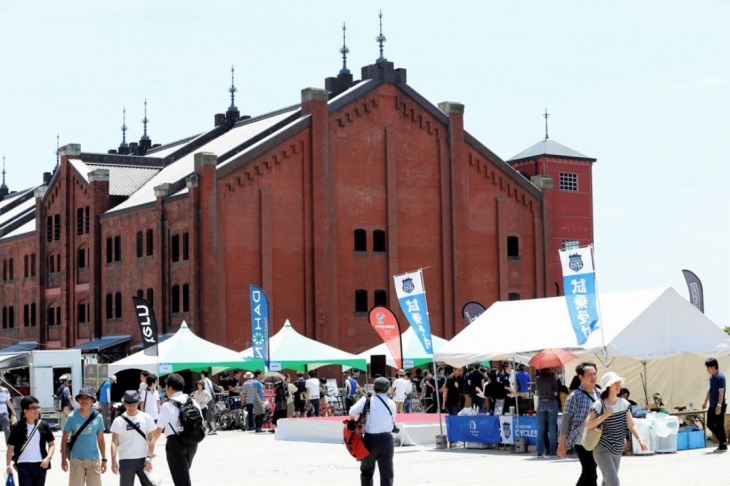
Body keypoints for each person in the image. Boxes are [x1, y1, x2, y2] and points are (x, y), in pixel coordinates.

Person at [586, 372, 647, 486]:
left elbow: (631, 425)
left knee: (607, 482)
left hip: (618, 448)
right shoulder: (599, 405)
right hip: (602, 448)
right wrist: (604, 416)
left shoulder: (624, 404)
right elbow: (588, 424)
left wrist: (640, 439)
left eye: (619, 382)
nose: (618, 385)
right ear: (608, 386)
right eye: (615, 383)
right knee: (613, 482)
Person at [151, 373, 201, 486]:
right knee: (183, 476)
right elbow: (201, 423)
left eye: (166, 387)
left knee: (181, 481)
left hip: (175, 445)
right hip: (193, 442)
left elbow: (158, 430)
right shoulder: (193, 402)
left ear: (169, 387)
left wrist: (148, 448)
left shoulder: (167, 405)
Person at [349, 377, 396, 486]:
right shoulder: (391, 403)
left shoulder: (367, 400)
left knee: (367, 471)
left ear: (374, 388)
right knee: (387, 472)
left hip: (370, 440)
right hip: (387, 439)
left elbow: (352, 412)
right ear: (388, 389)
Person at [558, 362, 599, 485]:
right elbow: (566, 420)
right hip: (580, 440)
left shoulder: (600, 394)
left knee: (587, 471)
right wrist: (562, 444)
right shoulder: (574, 396)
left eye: (594, 374)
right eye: (589, 374)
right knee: (591, 471)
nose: (593, 377)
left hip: (597, 438)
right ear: (580, 377)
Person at [61, 387, 107, 486]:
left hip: (93, 460)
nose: (84, 401)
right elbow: (64, 439)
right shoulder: (71, 417)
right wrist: (63, 459)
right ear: (78, 400)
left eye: (87, 398)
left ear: (92, 400)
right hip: (76, 460)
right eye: (81, 398)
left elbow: (101, 440)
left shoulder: (98, 417)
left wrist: (104, 459)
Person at [110, 390, 157, 486]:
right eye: (128, 405)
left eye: (134, 404)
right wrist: (113, 461)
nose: (131, 407)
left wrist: (149, 457)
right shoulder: (118, 421)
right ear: (124, 404)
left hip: (143, 458)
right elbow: (114, 442)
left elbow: (151, 439)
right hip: (126, 459)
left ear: (138, 403)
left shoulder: (146, 417)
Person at [5, 395, 54, 486]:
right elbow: (10, 447)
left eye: (38, 407)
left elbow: (51, 444)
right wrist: (8, 466)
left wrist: (48, 458)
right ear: (25, 411)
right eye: (33, 408)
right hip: (23, 464)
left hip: (41, 464)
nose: (37, 410)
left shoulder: (43, 425)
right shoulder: (17, 427)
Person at [702, 357, 727, 452]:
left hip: (719, 405)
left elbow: (721, 392)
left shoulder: (720, 377)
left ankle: (723, 444)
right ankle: (723, 439)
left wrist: (719, 405)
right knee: (709, 424)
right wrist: (705, 402)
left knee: (719, 424)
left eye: (708, 367)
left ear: (713, 367)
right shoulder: (711, 377)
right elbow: (709, 390)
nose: (707, 370)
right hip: (712, 405)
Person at [535, 368, 559, 458]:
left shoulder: (537, 379)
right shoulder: (552, 379)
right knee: (552, 429)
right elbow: (556, 393)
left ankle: (539, 452)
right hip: (551, 402)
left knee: (541, 428)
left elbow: (537, 392)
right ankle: (552, 451)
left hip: (541, 403)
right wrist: (555, 380)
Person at [199, 370, 218, 435]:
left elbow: (205, 392)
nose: (200, 376)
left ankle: (214, 429)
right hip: (210, 399)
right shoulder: (209, 381)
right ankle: (205, 429)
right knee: (206, 415)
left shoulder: (204, 381)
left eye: (201, 374)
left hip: (207, 400)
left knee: (208, 414)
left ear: (203, 374)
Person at [0, 379, 16, 446]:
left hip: (4, 413)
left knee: (7, 429)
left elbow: (8, 401)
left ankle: (9, 445)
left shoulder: (5, 390)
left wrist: (13, 410)